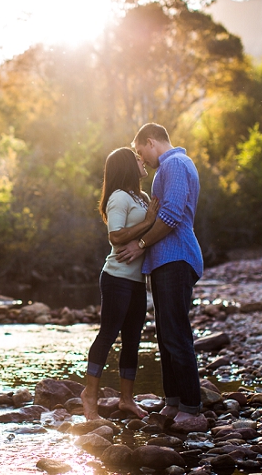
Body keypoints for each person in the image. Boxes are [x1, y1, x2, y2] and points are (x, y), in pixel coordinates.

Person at [115, 123, 207, 433]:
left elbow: (171, 215)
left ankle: (193, 409)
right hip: (165, 260)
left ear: (151, 142)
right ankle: (174, 400)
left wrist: (139, 244)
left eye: (141, 152)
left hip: (177, 257)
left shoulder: (176, 164)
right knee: (166, 332)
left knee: (176, 332)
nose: (143, 159)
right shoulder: (167, 169)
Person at [81, 147, 160, 420]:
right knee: (108, 334)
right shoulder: (118, 198)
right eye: (137, 159)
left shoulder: (143, 198)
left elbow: (150, 235)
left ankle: (126, 399)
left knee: (133, 339)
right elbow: (115, 236)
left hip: (137, 280)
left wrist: (144, 238)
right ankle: (89, 395)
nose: (143, 161)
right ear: (127, 165)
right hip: (116, 278)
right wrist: (148, 221)